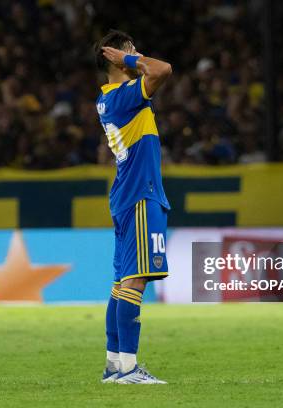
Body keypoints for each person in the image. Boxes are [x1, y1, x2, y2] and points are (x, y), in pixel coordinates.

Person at [93, 30, 172, 384]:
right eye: (129, 51)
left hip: (126, 195)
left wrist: (127, 58)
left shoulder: (108, 99)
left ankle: (113, 364)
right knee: (136, 280)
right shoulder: (125, 97)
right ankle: (128, 368)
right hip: (141, 194)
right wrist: (128, 60)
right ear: (114, 60)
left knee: (120, 281)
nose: (136, 54)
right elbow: (162, 70)